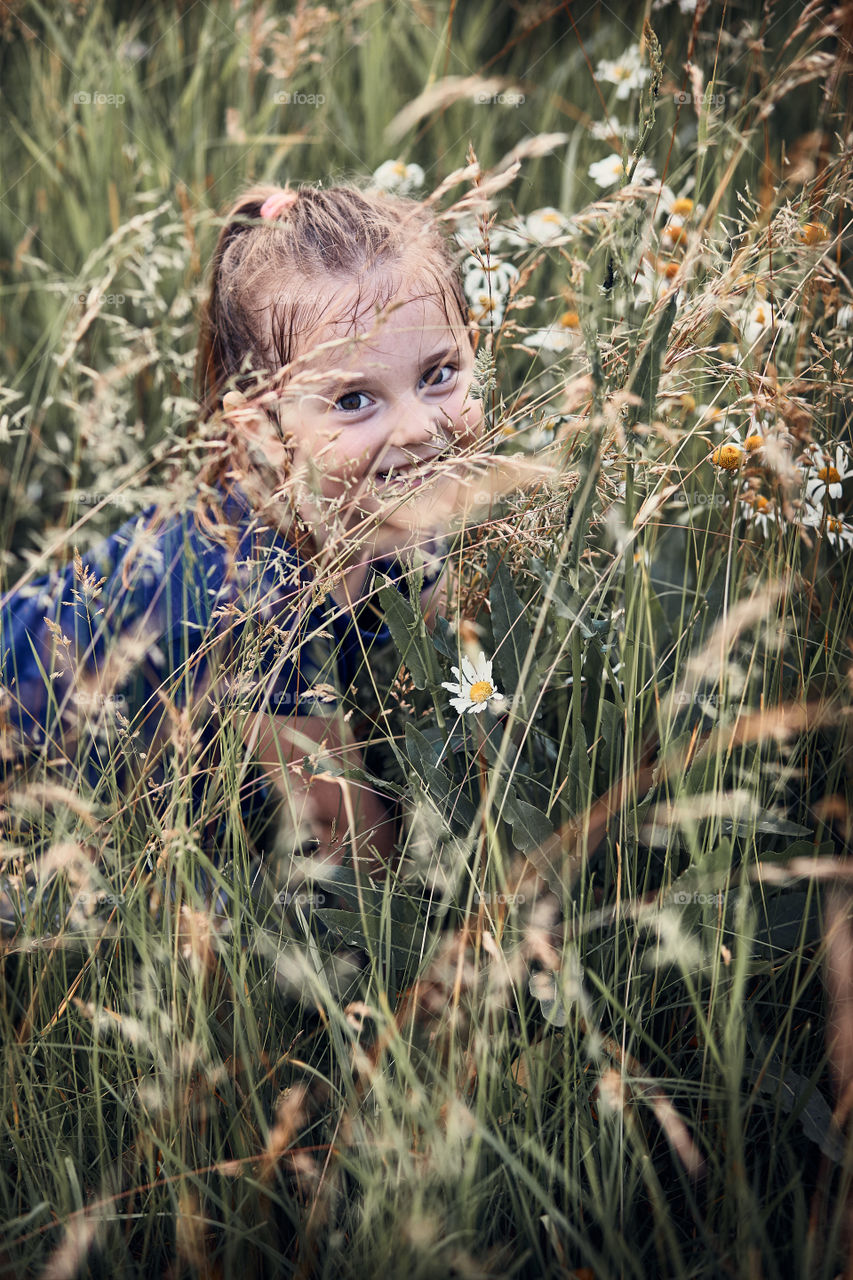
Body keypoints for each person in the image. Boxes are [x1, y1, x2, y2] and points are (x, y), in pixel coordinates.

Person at [0, 180, 485, 918]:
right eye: (353, 399)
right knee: (132, 918)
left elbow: (441, 633)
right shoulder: (253, 597)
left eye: (438, 374)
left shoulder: (379, 501)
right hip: (27, 760)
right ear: (260, 428)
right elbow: (349, 838)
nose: (419, 426)